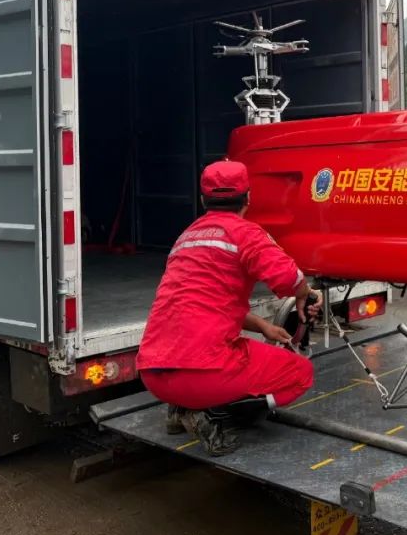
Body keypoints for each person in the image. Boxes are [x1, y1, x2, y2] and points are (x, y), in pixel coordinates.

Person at [137, 160, 322, 456]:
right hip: (203, 374)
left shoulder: (186, 238)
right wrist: (307, 293)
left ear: (202, 200)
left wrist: (263, 327)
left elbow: (208, 305)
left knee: (204, 357)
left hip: (153, 374)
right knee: (301, 373)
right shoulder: (246, 233)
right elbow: (289, 278)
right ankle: (210, 415)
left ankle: (179, 409)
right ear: (249, 198)